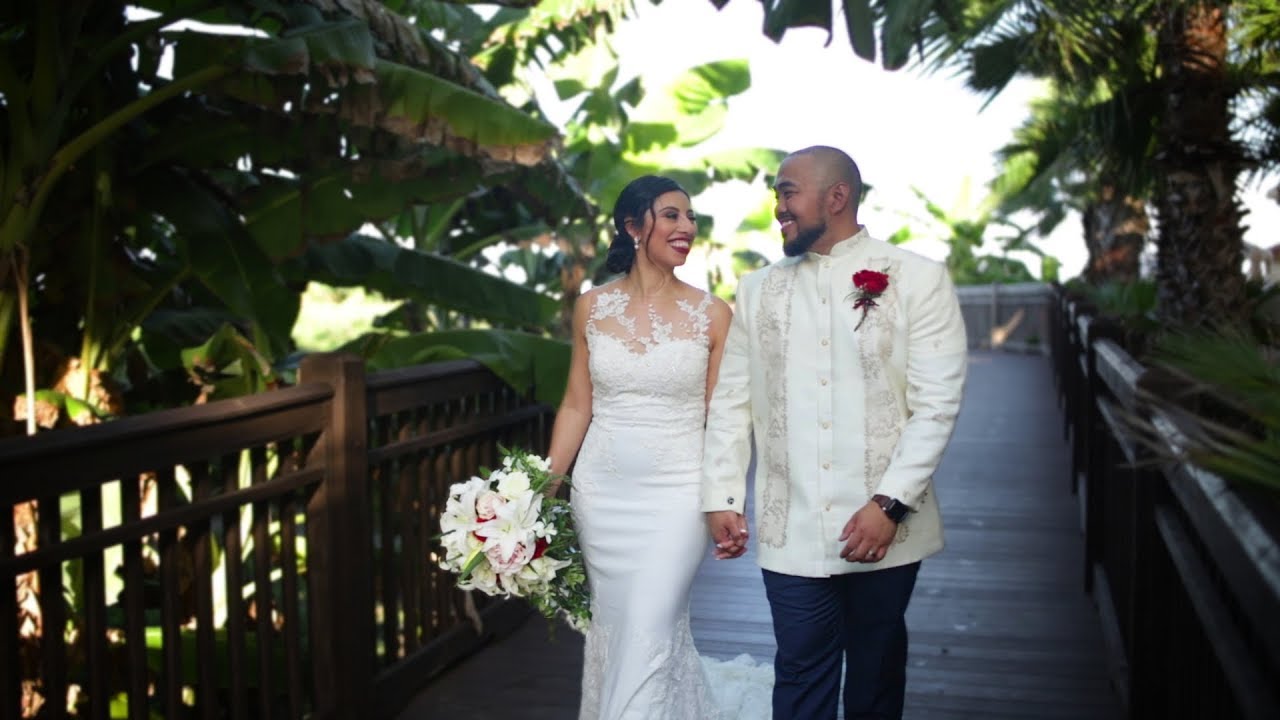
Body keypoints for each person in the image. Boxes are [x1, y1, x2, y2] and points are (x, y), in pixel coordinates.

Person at [701, 146, 968, 720]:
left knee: (873, 674)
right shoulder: (755, 290)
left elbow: (937, 406)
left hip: (886, 527)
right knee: (799, 669)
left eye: (787, 191)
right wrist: (721, 495)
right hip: (788, 521)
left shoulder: (917, 279)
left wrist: (889, 504)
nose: (778, 208)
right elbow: (730, 401)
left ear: (837, 197)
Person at [547, 175, 734, 719]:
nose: (687, 228)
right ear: (633, 226)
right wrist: (547, 483)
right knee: (619, 629)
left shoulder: (714, 314)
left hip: (677, 495)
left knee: (651, 624)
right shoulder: (591, 308)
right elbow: (577, 404)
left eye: (690, 217)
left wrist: (723, 499)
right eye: (671, 215)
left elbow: (721, 419)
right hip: (602, 497)